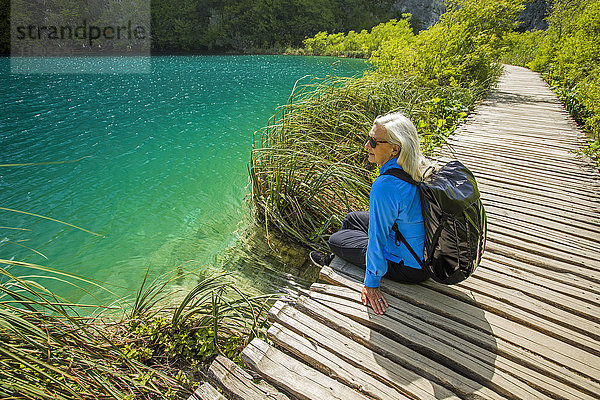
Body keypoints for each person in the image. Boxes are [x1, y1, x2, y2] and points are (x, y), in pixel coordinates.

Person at [310, 112, 431, 314]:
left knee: (336, 239)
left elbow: (377, 237)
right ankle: (339, 256)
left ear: (395, 149)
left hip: (411, 268)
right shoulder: (419, 165)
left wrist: (372, 283)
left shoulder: (385, 186)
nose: (367, 146)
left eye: (374, 142)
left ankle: (334, 260)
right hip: (423, 251)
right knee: (351, 218)